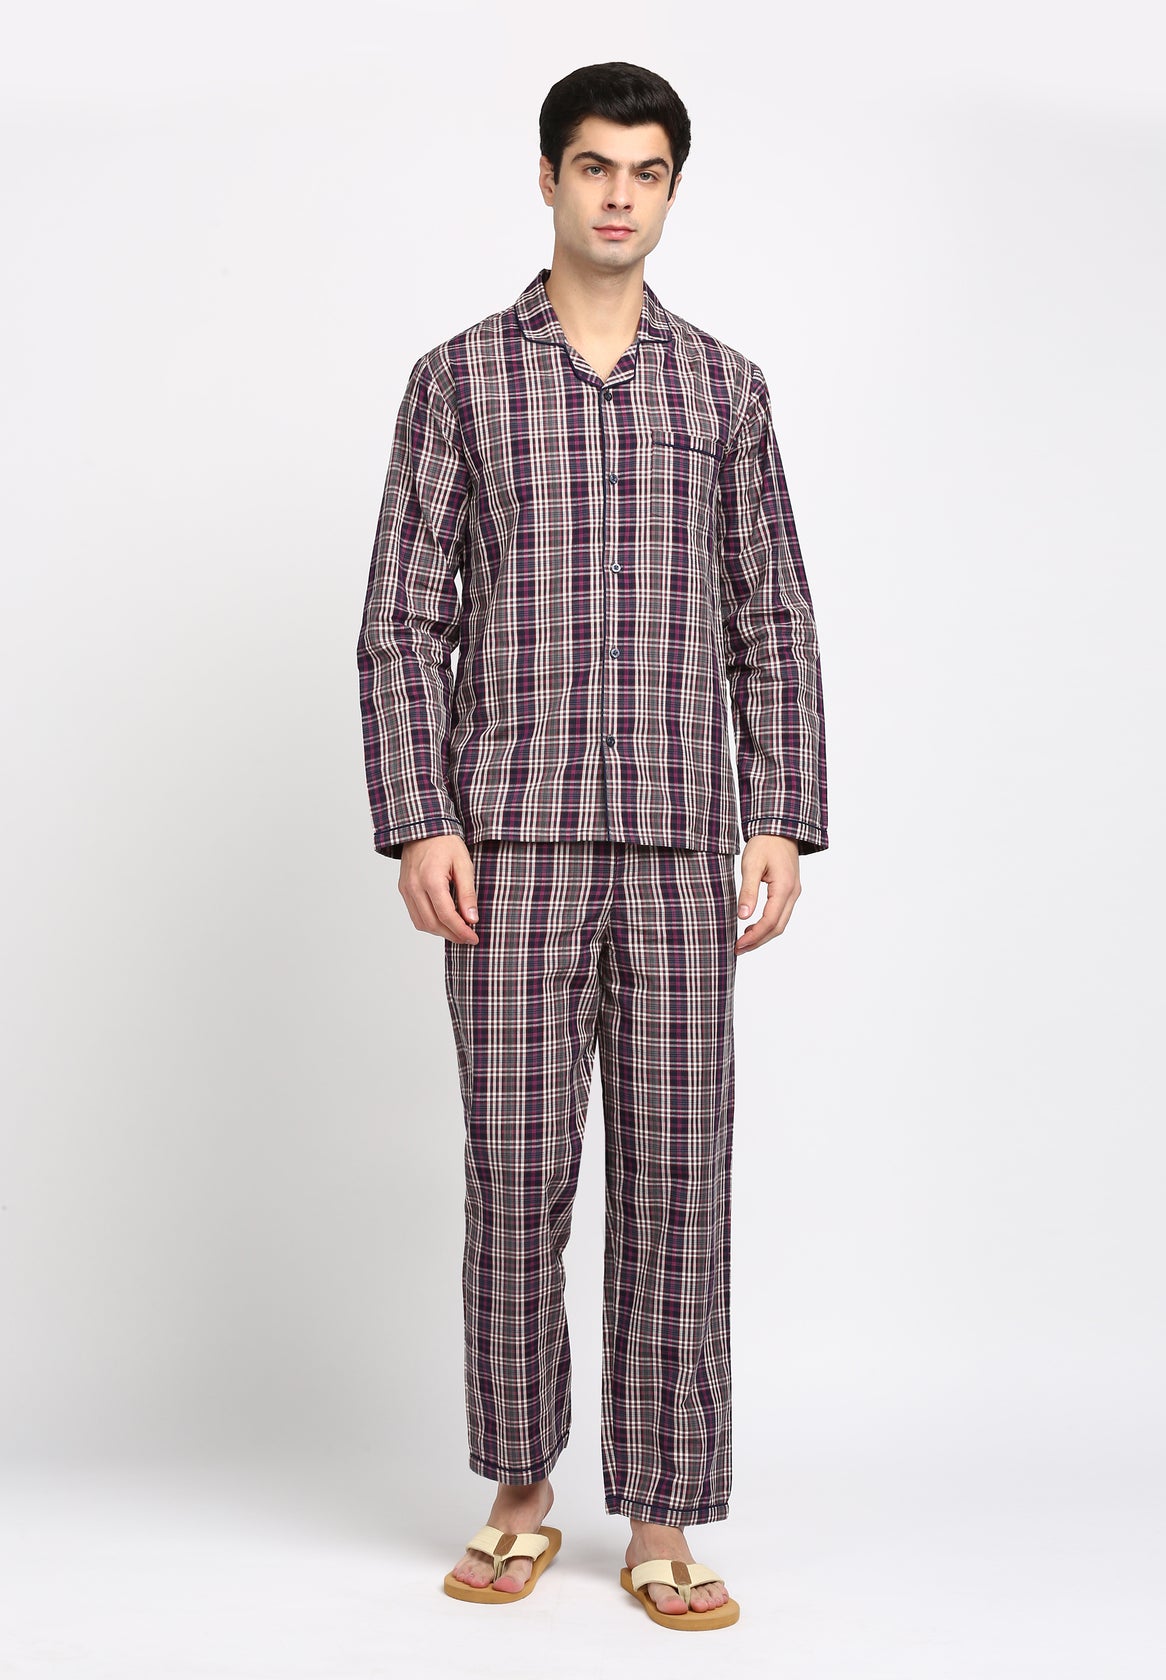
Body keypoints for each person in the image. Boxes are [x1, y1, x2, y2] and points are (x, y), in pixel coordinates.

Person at [356, 61, 829, 1631]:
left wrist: (780, 815)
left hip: (683, 846)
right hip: (509, 851)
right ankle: (517, 1488)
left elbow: (774, 617)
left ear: (672, 190)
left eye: (647, 170)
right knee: (516, 1174)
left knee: (679, 1178)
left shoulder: (727, 391)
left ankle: (664, 1516)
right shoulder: (458, 380)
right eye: (593, 165)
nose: (619, 193)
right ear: (549, 179)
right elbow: (402, 618)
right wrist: (420, 816)